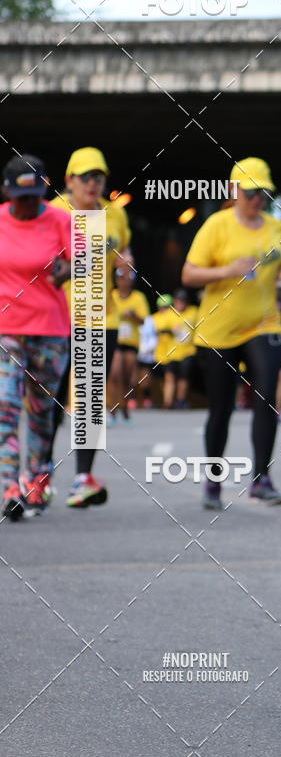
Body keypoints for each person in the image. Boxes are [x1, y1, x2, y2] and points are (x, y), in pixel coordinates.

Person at [182, 157, 281, 510]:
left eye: (263, 193)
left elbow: (279, 267)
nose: (257, 199)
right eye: (250, 192)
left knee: (266, 398)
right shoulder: (216, 225)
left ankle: (262, 478)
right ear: (233, 191)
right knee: (221, 408)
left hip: (264, 323)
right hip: (219, 329)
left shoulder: (276, 227)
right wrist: (227, 269)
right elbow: (188, 274)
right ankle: (213, 482)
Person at [49, 147, 132, 508]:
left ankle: (83, 478)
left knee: (89, 400)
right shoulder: (54, 213)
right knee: (52, 397)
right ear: (69, 180)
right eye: (86, 177)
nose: (93, 184)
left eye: (99, 177)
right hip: (59, 316)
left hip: (103, 315)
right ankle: (40, 472)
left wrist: (124, 266)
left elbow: (124, 254)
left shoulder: (115, 216)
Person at [0, 155, 71, 521]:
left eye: (34, 196)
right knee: (6, 407)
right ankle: (11, 484)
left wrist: (68, 270)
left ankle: (38, 477)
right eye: (20, 197)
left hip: (51, 332)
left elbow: (88, 261)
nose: (28, 204)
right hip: (7, 331)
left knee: (42, 415)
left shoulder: (60, 219)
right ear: (6, 191)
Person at [109, 266, 149, 422]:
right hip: (116, 340)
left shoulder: (138, 297)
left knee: (127, 378)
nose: (124, 281)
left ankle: (124, 407)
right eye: (120, 277)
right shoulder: (111, 295)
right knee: (114, 374)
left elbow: (144, 320)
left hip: (131, 342)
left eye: (127, 278)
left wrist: (133, 315)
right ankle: (112, 408)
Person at [151, 289, 197, 409]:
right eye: (179, 301)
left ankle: (180, 400)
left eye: (183, 301)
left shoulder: (193, 312)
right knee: (169, 377)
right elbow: (158, 328)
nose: (181, 304)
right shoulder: (169, 314)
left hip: (188, 351)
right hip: (172, 352)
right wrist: (169, 331)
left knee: (184, 377)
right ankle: (168, 402)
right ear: (175, 302)